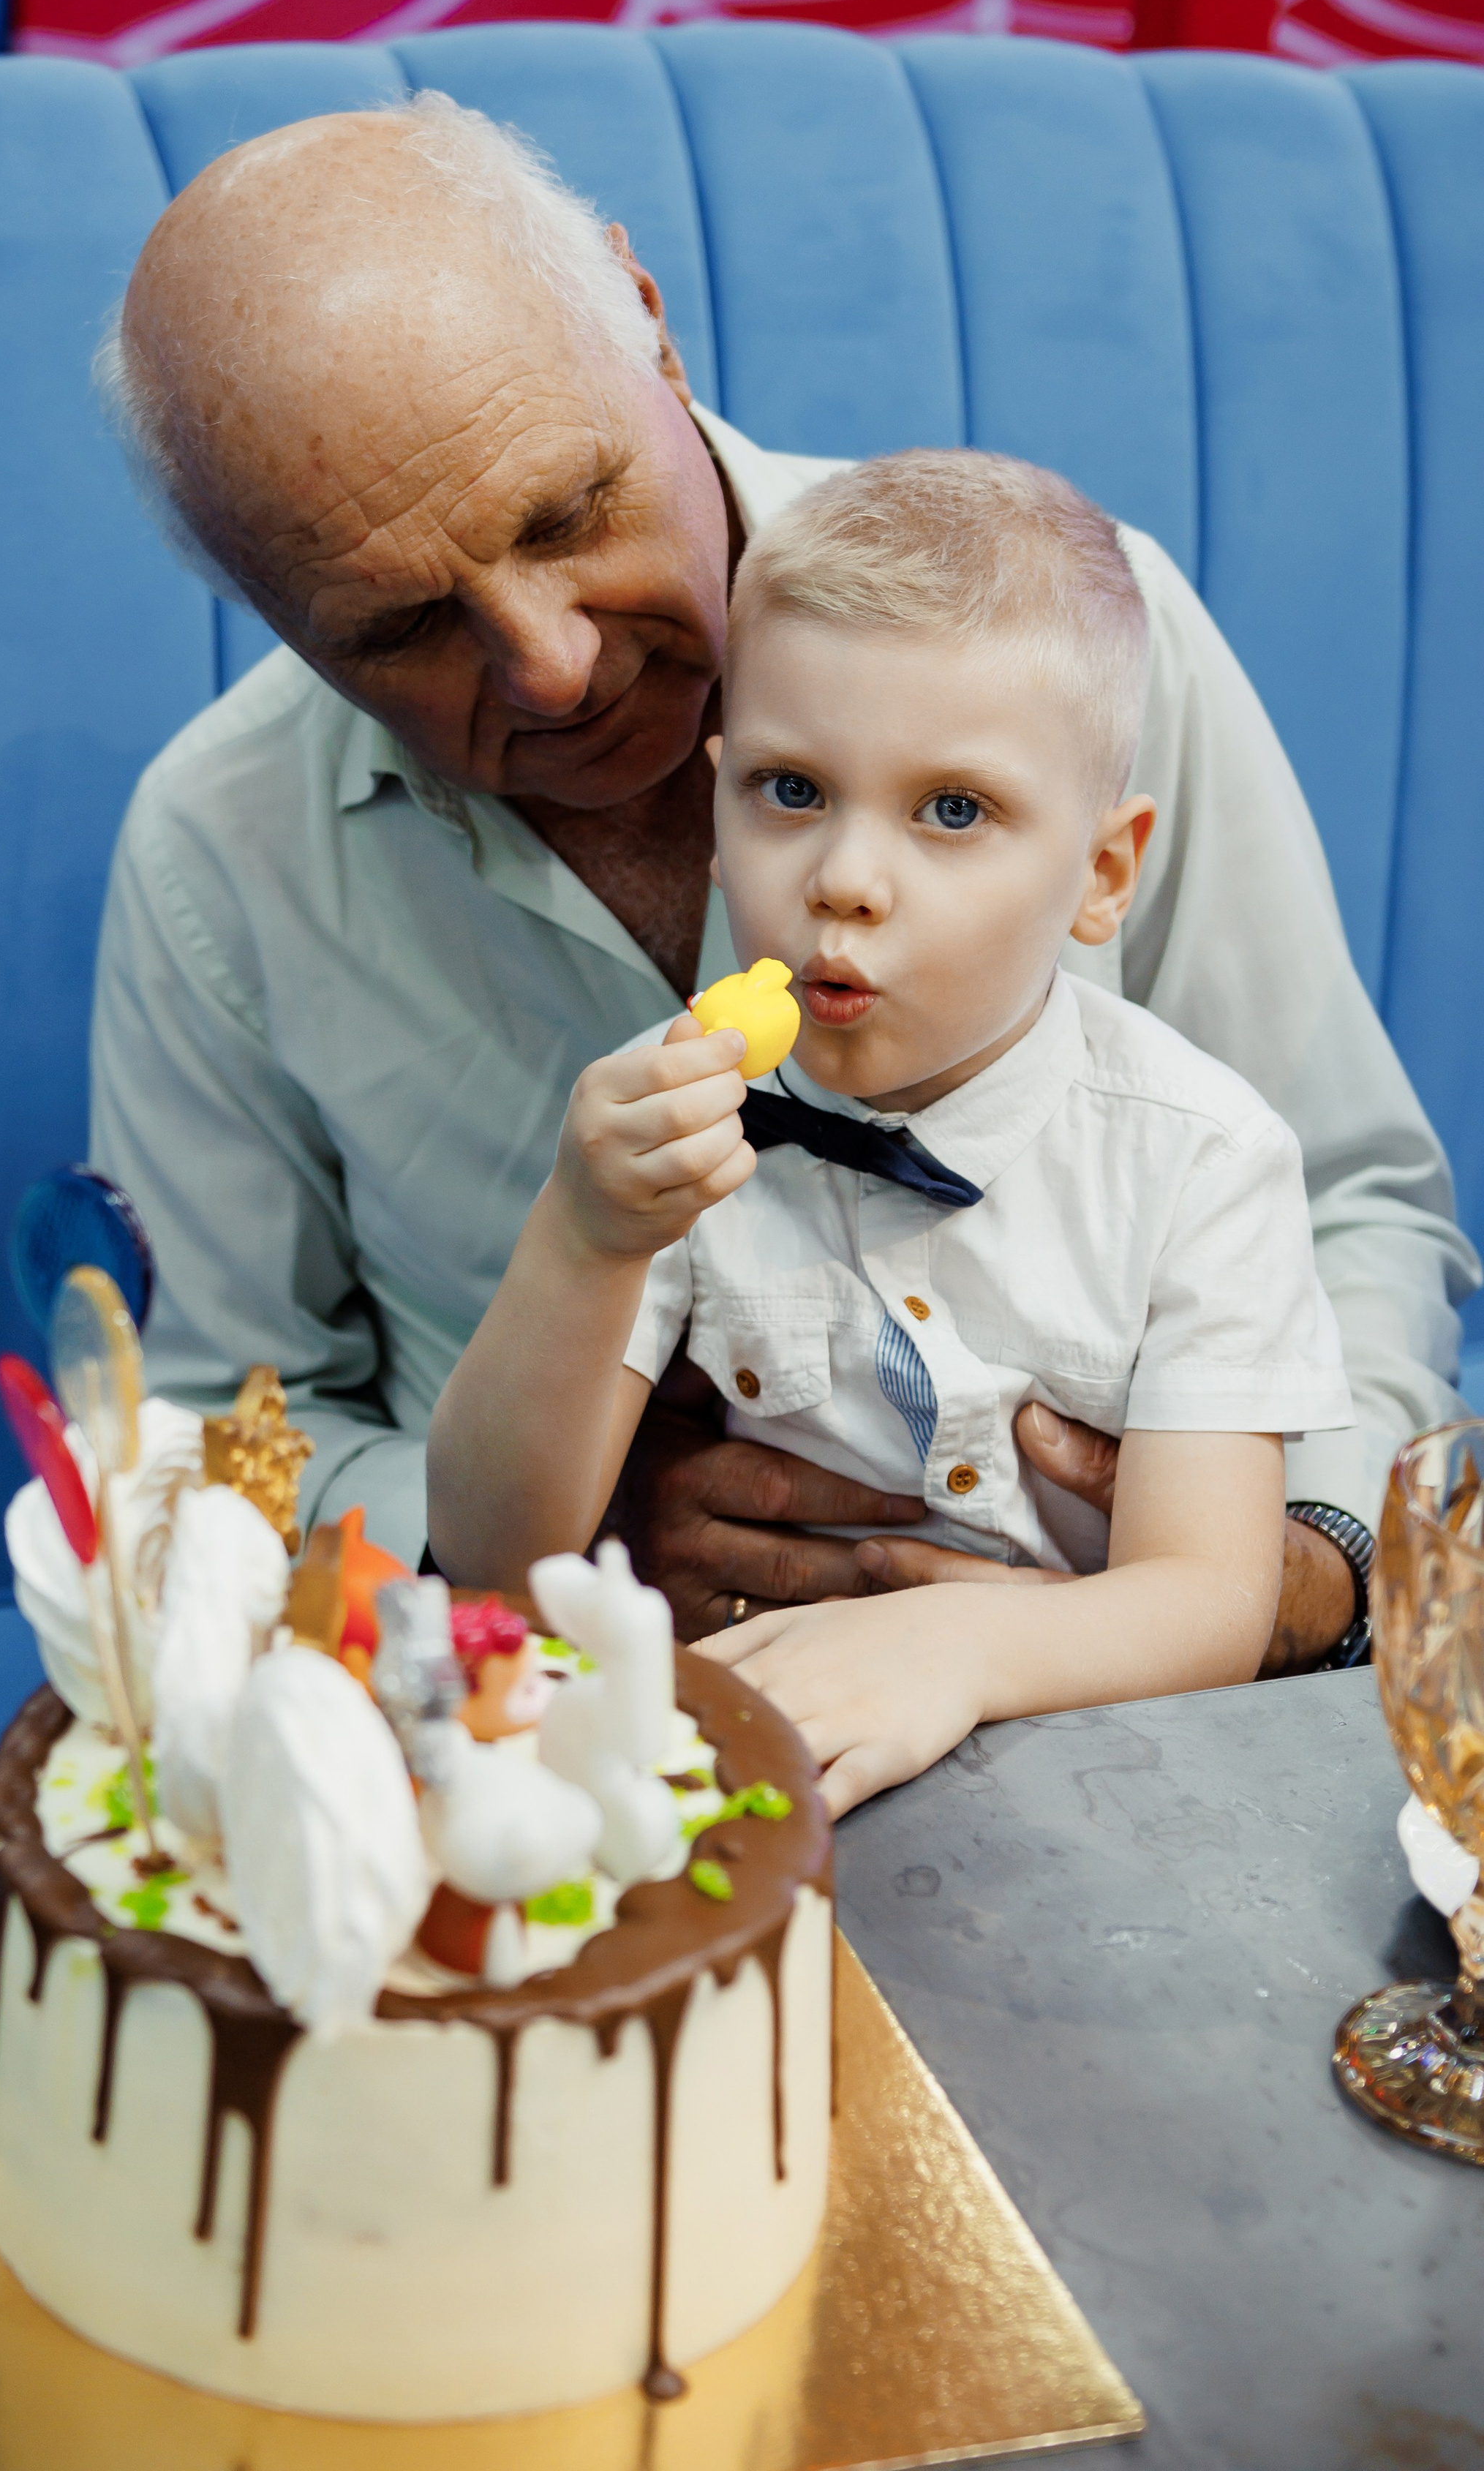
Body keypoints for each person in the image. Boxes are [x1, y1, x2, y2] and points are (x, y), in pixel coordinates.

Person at [89, 91, 1474, 1668]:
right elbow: (214, 1437)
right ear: (276, 622)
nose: (548, 670)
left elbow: (1348, 1203)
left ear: (646, 328)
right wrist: (552, 1547)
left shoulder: (1079, 641)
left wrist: (1295, 1579)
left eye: (566, 513)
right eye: (399, 628)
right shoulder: (217, 845)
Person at [426, 451, 1353, 1806]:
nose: (845, 882)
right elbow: (500, 1561)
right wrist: (584, 1240)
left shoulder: (1199, 1157)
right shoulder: (669, 1117)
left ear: (1102, 874)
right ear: (719, 802)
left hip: (1104, 1771)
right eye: (792, 793)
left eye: (954, 811)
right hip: (760, 1770)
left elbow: (1212, 1604)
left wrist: (964, 1646)